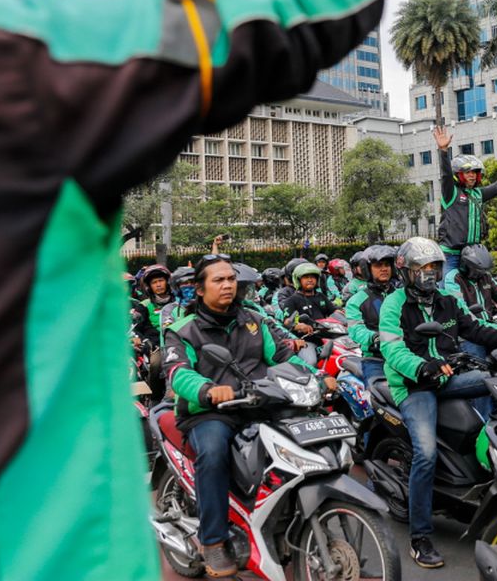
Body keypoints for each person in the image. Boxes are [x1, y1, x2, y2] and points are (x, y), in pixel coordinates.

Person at [0, 0, 475, 572]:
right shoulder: (17, 66)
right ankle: (213, 541)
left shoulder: (284, 312)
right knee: (209, 448)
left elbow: (297, 350)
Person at [163, 257, 335, 576]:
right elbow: (177, 373)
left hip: (260, 402)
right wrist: (208, 389)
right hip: (211, 412)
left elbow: (282, 356)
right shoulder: (181, 329)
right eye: (219, 280)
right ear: (199, 290)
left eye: (231, 278)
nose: (228, 284)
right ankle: (212, 540)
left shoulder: (253, 320)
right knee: (213, 454)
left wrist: (317, 376)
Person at [378, 237, 497, 568]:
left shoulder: (447, 300)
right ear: (406, 271)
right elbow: (392, 349)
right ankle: (420, 536)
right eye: (422, 268)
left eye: (434, 268)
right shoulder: (394, 304)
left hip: (449, 377)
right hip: (414, 386)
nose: (429, 274)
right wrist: (422, 367)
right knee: (425, 453)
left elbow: (476, 328)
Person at [434, 125, 497, 273]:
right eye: (467, 172)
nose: (472, 175)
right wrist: (443, 151)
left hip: (473, 255)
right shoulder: (451, 192)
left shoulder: (478, 194)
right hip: (451, 255)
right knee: (447, 292)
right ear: (459, 174)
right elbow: (446, 175)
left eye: (475, 172)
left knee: (478, 291)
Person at [345, 244, 397, 384]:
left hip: (405, 354)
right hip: (376, 358)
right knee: (379, 393)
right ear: (368, 269)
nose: (384, 269)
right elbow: (355, 329)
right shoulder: (356, 300)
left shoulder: (402, 294)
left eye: (387, 265)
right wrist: (374, 337)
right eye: (378, 265)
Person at [444, 243, 497, 319]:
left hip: (488, 323)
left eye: (483, 270)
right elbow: (460, 307)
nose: (482, 273)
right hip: (470, 325)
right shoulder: (454, 278)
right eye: (478, 270)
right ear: (466, 265)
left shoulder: (485, 276)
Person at [282, 262, 337, 335]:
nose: (310, 280)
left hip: (326, 334)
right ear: (298, 280)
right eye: (306, 277)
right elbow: (287, 322)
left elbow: (333, 311)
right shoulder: (291, 301)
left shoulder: (321, 296)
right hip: (306, 338)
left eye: (313, 277)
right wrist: (299, 326)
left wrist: (343, 314)